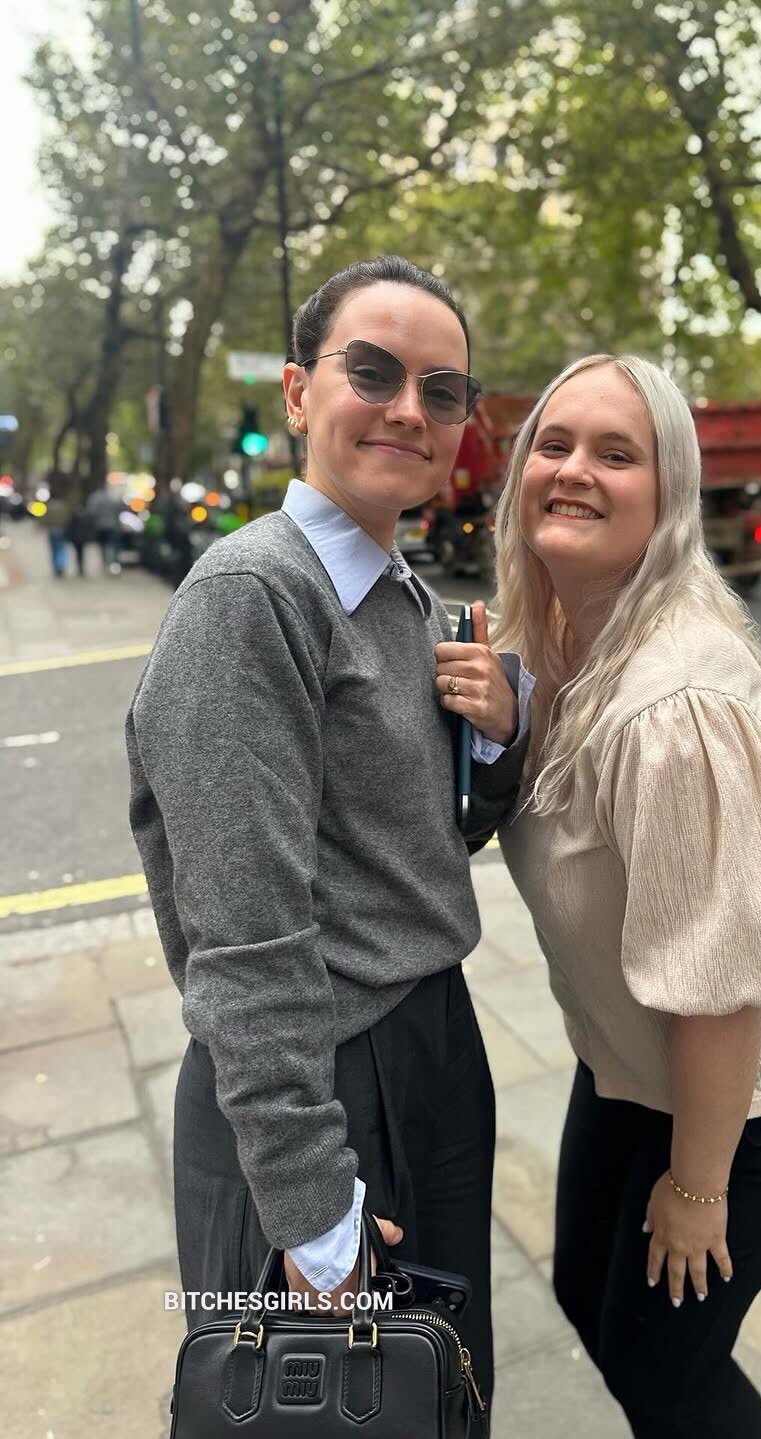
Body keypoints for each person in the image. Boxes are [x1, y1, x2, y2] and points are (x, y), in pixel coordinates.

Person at [125, 255, 531, 1409]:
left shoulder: (405, 596)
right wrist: (312, 1210)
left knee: (434, 1387)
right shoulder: (252, 596)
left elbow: (419, 848)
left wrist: (500, 737)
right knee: (324, 1404)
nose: (409, 408)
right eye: (375, 372)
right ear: (301, 393)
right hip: (328, 1073)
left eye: (441, 390)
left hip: (430, 1046)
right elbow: (242, 936)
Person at [492, 354, 761, 1438]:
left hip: (758, 1097)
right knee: (589, 1300)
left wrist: (699, 1188)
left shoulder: (677, 706)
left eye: (617, 453)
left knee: (666, 1375)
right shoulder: (559, 630)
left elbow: (721, 991)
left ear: (667, 494)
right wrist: (508, 726)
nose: (575, 469)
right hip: (634, 1064)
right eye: (555, 444)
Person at [84, 482, 125, 573]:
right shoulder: (111, 497)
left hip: (100, 526)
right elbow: (119, 510)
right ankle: (112, 564)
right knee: (111, 545)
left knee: (103, 545)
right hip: (112, 525)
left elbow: (91, 512)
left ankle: (107, 563)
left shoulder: (94, 498)